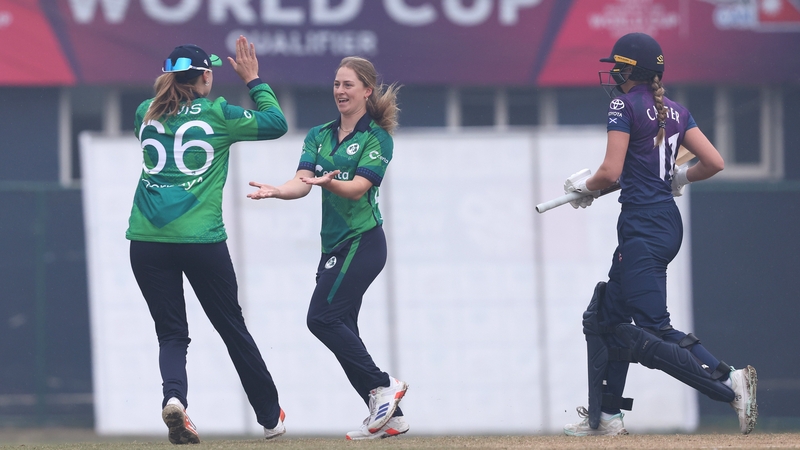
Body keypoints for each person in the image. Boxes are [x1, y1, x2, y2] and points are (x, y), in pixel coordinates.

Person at [560, 33, 757, 436]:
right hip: (665, 222)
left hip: (642, 226)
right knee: (605, 316)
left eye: (619, 65)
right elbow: (714, 162)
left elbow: (610, 171)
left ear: (634, 70)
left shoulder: (622, 104)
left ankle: (729, 381)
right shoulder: (675, 109)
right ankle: (606, 417)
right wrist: (678, 178)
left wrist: (585, 188)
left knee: (653, 327)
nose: (613, 72)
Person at [126, 36, 288, 444]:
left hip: (146, 240)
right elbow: (276, 123)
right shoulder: (218, 112)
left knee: (171, 333)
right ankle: (270, 418)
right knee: (231, 327)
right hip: (201, 240)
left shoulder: (145, 113)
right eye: (209, 71)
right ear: (203, 76)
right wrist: (254, 80)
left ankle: (175, 399)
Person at [247, 56, 409, 440]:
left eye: (348, 85)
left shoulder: (377, 138)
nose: (339, 91)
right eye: (336, 84)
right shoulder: (319, 134)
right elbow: (302, 181)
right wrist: (278, 190)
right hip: (334, 245)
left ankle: (384, 385)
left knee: (321, 318)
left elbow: (356, 188)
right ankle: (393, 417)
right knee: (342, 325)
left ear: (366, 91)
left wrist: (328, 182)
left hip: (364, 241)